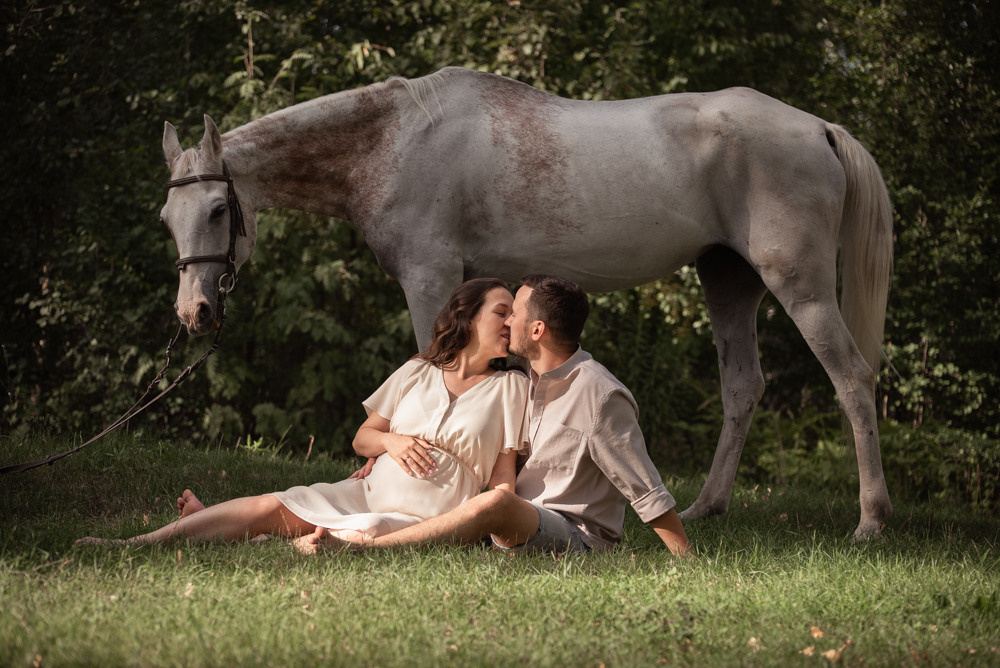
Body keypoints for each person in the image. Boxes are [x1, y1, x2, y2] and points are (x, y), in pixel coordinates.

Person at [75, 278, 528, 546]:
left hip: (423, 518)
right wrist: (391, 441)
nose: (510, 323)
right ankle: (135, 543)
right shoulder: (417, 370)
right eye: (501, 312)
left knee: (366, 530)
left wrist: (490, 534)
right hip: (365, 492)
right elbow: (362, 438)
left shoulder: (511, 387)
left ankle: (238, 533)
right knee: (278, 502)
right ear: (467, 316)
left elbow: (502, 480)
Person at [297, 274, 691, 556]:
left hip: (576, 536)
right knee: (498, 505)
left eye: (514, 314)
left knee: (496, 503)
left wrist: (688, 562)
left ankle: (363, 551)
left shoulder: (599, 393)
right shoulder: (522, 381)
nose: (507, 322)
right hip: (517, 526)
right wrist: (381, 450)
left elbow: (646, 488)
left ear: (536, 330)